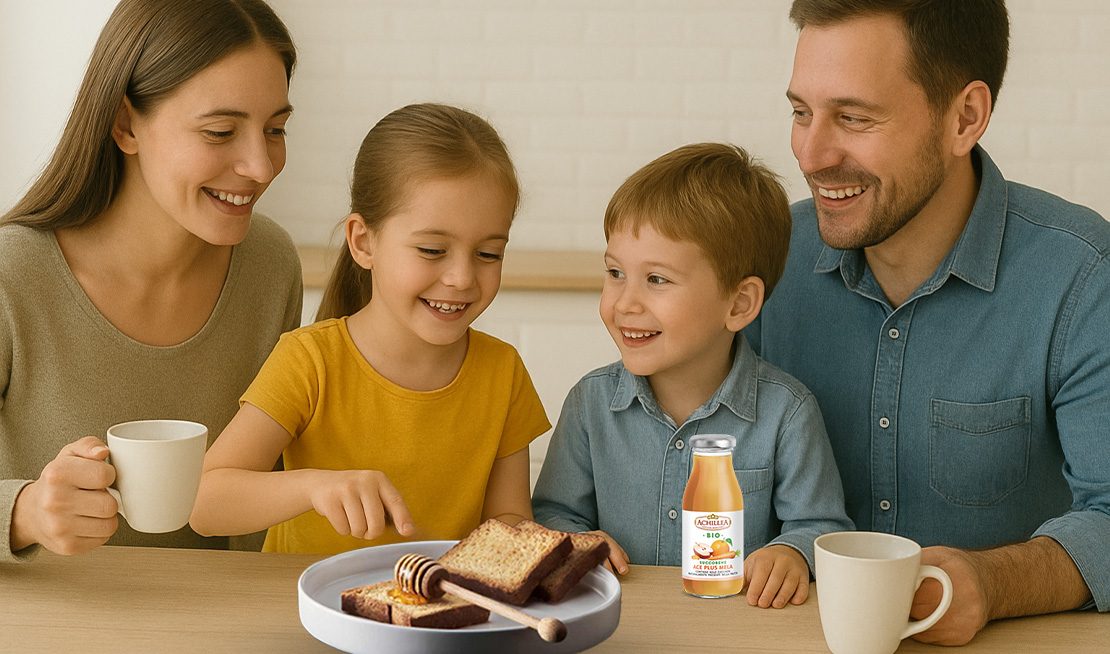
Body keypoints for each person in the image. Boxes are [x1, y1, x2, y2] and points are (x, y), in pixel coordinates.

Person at [747, 0, 1110, 644]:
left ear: (964, 117)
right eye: (801, 112)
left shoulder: (1082, 276)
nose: (811, 152)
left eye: (855, 118)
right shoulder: (763, 263)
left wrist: (994, 584)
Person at [0, 0, 302, 563]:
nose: (261, 166)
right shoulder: (12, 277)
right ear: (125, 124)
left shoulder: (269, 264)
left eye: (276, 129)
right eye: (220, 131)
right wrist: (25, 512)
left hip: (224, 626)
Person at [188, 103, 551, 555]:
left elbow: (508, 519)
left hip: (436, 620)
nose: (462, 277)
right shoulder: (309, 360)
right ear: (363, 241)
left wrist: (553, 544)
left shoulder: (503, 371)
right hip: (308, 618)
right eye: (433, 250)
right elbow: (203, 504)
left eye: (489, 254)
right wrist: (312, 488)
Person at [532, 143, 854, 609]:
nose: (625, 303)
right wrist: (576, 546)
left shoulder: (788, 412)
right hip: (622, 627)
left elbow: (822, 526)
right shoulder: (589, 404)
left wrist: (792, 552)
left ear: (739, 304)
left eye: (657, 279)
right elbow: (553, 515)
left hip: (735, 634)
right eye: (616, 272)